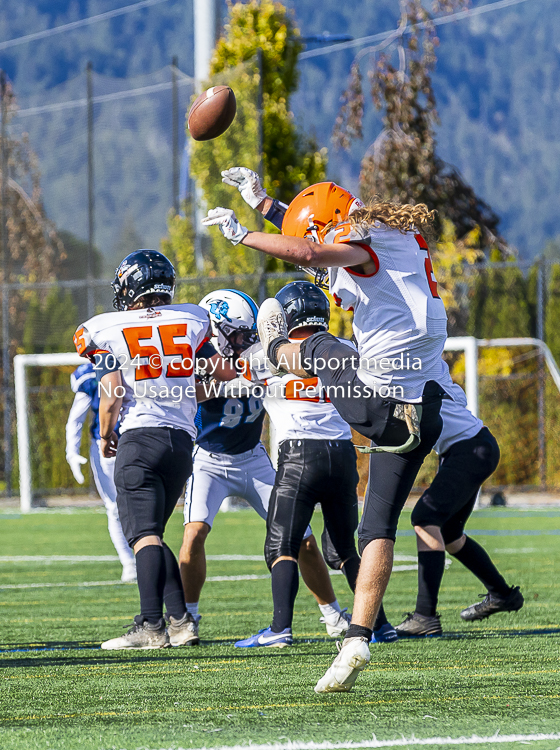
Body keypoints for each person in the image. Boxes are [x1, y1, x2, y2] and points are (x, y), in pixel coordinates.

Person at [204, 169, 448, 692]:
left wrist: (242, 235)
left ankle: (268, 355)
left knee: (317, 348)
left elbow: (311, 252)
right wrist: (266, 203)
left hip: (384, 403)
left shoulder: (359, 243)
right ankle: (358, 636)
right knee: (376, 529)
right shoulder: (391, 239)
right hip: (422, 412)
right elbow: (311, 236)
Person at [180, 287, 353, 641]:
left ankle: (333, 615)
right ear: (215, 332)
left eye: (249, 334)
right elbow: (186, 392)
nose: (246, 341)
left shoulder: (260, 358)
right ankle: (188, 619)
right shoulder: (196, 363)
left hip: (254, 457)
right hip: (210, 460)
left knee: (302, 539)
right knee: (194, 532)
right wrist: (219, 382)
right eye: (239, 334)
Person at [73, 249, 221, 650]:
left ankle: (151, 626)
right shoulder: (191, 318)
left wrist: (105, 434)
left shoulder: (106, 327)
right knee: (152, 533)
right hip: (181, 442)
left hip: (140, 437)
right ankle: (180, 623)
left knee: (142, 535)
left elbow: (110, 391)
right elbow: (219, 372)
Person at [229, 281, 363, 648]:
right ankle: (375, 625)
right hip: (342, 454)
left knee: (281, 545)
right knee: (344, 548)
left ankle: (279, 629)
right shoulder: (347, 349)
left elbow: (229, 376)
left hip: (299, 455)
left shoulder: (263, 357)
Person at [394, 386, 524, 635]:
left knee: (424, 518)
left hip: (468, 448)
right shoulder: (423, 372)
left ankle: (425, 617)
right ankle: (502, 594)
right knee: (450, 533)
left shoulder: (411, 374)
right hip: (469, 446)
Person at [65, 362, 136, 583]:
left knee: (143, 507)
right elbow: (76, 417)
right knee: (115, 507)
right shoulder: (91, 374)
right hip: (107, 446)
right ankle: (129, 562)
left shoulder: (140, 361)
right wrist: (71, 451)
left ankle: (148, 558)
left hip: (140, 441)